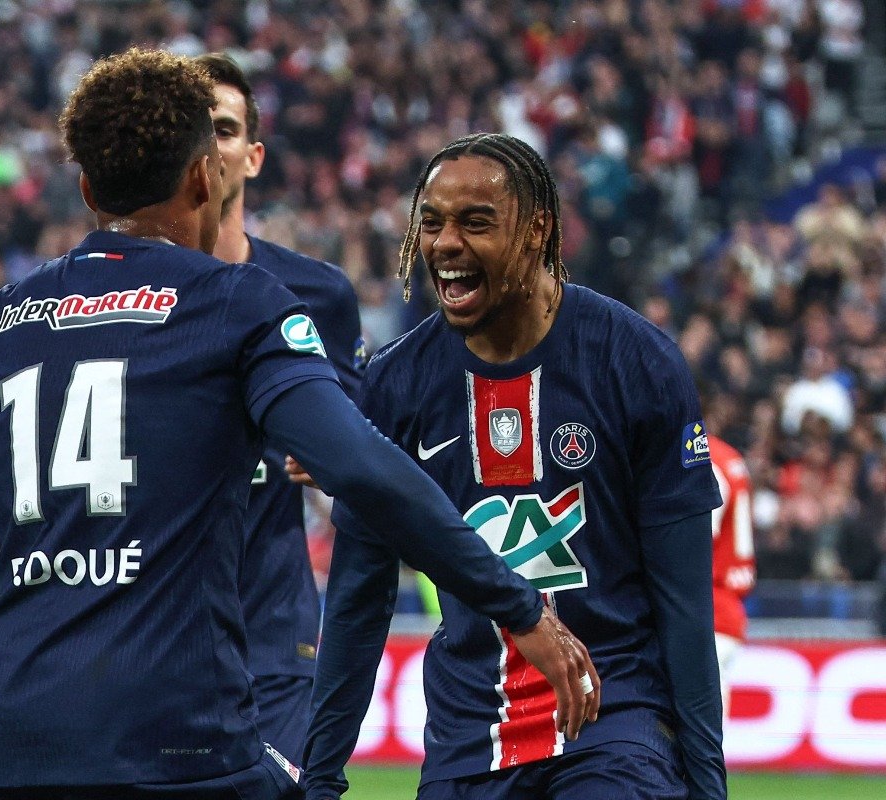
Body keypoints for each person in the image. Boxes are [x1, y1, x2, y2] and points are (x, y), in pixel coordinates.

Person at [0, 50, 597, 800]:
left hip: (23, 746)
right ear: (205, 176)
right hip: (185, 741)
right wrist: (517, 604)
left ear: (88, 187)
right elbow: (362, 466)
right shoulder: (238, 302)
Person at [297, 133, 725, 800]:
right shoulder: (398, 386)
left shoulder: (636, 361)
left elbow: (684, 604)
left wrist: (708, 784)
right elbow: (358, 600)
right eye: (431, 222)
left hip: (613, 727)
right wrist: (318, 777)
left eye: (475, 222)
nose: (443, 244)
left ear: (536, 231)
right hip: (468, 740)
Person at [194, 52, 363, 766]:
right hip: (147, 627)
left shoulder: (316, 295)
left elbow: (355, 457)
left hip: (273, 629)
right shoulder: (114, 295)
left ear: (254, 156)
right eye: (190, 127)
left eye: (225, 129)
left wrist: (325, 463)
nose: (208, 145)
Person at [706, 432, 756, 720]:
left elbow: (696, 540)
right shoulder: (728, 455)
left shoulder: (699, 457)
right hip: (726, 603)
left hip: (706, 603)